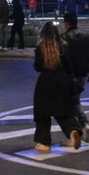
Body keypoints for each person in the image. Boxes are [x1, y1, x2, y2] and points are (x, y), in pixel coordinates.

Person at [32, 22, 82, 152]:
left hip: (46, 81)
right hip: (62, 80)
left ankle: (44, 142)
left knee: (42, 112)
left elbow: (37, 67)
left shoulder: (40, 48)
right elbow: (70, 66)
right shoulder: (63, 46)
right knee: (64, 110)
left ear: (43, 34)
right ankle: (73, 132)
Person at [63, 11, 89, 129]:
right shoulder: (88, 36)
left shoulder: (65, 37)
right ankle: (78, 127)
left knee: (72, 101)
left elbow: (64, 57)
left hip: (70, 74)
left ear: (67, 23)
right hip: (83, 73)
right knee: (74, 99)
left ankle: (83, 124)